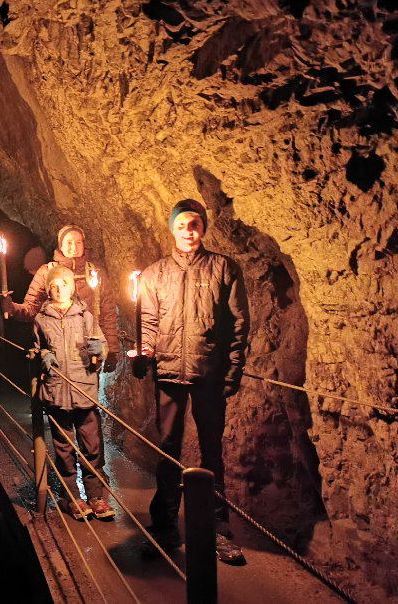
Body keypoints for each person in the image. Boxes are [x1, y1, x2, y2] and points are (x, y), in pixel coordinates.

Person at [132, 199, 250, 565]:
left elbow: (238, 324)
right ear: (172, 229)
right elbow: (148, 323)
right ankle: (165, 526)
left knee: (212, 450)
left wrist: (232, 370)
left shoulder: (223, 268)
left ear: (204, 228)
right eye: (182, 224)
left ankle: (217, 528)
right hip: (168, 371)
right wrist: (143, 354)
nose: (189, 230)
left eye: (195, 223)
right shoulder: (154, 274)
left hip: (209, 375)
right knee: (168, 449)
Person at [33, 265, 115, 520]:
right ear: (48, 290)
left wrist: (98, 350)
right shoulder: (41, 319)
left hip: (84, 390)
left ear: (72, 287)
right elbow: (37, 349)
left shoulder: (85, 316)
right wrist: (43, 356)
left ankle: (96, 496)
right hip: (57, 392)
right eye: (54, 286)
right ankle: (72, 498)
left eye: (64, 284)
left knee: (92, 446)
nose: (59, 290)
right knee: (64, 449)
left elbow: (101, 349)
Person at [4, 225, 120, 372]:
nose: (74, 247)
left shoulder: (95, 274)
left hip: (88, 353)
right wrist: (12, 308)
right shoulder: (47, 272)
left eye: (79, 242)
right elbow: (31, 308)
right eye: (69, 242)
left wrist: (112, 351)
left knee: (85, 390)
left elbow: (108, 314)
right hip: (55, 349)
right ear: (61, 245)